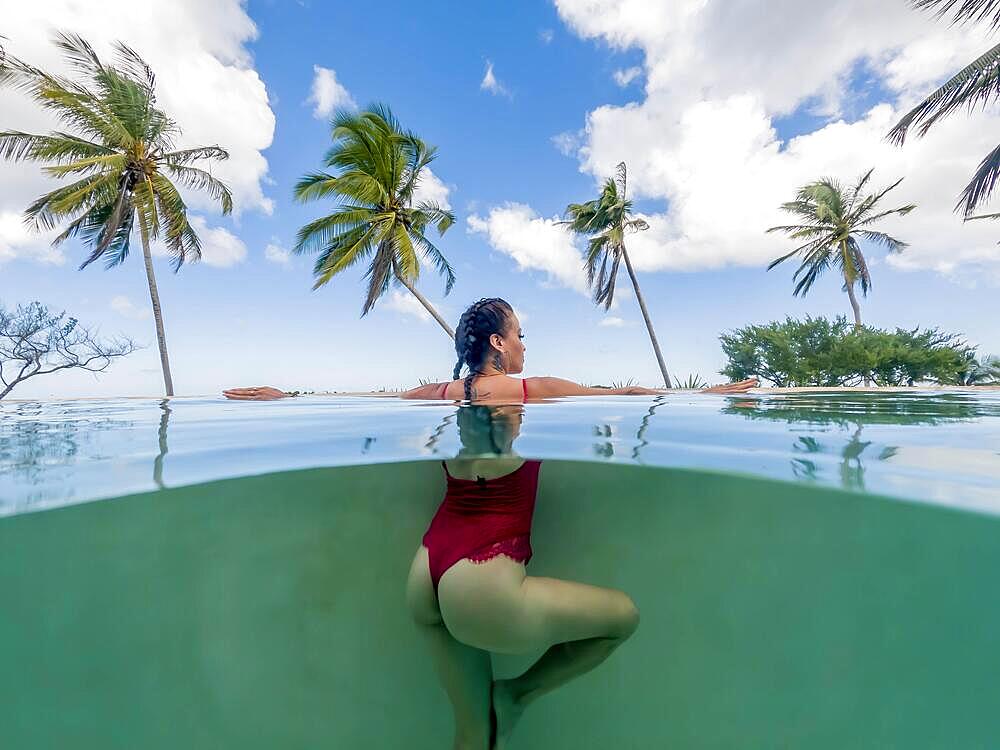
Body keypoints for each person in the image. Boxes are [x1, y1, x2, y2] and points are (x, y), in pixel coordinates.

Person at [224, 297, 757, 749]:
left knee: (473, 736)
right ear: (499, 344)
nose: (525, 344)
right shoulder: (531, 390)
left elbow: (359, 400)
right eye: (520, 334)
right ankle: (518, 694)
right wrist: (709, 396)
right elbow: (631, 395)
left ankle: (497, 708)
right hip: (483, 583)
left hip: (427, 571)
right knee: (624, 619)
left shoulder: (440, 394)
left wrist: (283, 396)